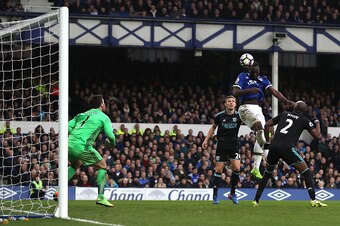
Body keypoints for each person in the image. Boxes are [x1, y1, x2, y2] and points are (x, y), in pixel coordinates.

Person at [252, 101, 327, 207]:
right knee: (306, 171)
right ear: (304, 110)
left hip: (274, 146)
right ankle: (313, 200)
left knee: (267, 173)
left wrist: (268, 141)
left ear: (294, 107)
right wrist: (317, 122)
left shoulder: (284, 114)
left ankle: (256, 200)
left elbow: (267, 125)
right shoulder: (304, 120)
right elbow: (318, 136)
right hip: (287, 148)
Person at [233, 61, 294, 179]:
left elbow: (274, 92)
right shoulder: (242, 76)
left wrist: (286, 101)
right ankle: (267, 153)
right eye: (253, 72)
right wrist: (250, 90)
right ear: (249, 71)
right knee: (259, 129)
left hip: (258, 109)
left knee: (265, 132)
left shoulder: (263, 80)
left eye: (257, 72)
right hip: (245, 107)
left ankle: (255, 168)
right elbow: (235, 92)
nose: (255, 74)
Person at [67, 95, 116, 207]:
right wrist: (112, 144)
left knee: (76, 164)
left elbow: (68, 127)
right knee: (103, 165)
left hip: (68, 144)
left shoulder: (81, 115)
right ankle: (101, 197)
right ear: (101, 105)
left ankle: (58, 191)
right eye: (103, 102)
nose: (104, 104)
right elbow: (110, 135)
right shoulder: (104, 117)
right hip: (82, 145)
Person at [202, 95, 242, 204]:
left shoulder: (239, 116)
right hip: (222, 145)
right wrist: (206, 140)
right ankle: (215, 195)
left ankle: (232, 193)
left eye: (233, 101)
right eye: (228, 101)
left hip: (234, 144)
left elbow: (250, 122)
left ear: (235, 104)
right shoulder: (219, 116)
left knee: (237, 168)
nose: (231, 103)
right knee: (219, 169)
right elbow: (213, 128)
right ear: (225, 104)